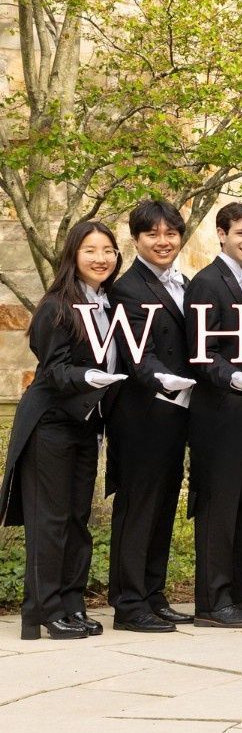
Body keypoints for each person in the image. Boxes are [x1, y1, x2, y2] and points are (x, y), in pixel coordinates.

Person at [1, 222, 126, 640]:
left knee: (77, 518)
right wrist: (91, 376)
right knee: (49, 521)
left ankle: (71, 605)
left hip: (85, 424)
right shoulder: (57, 305)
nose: (100, 258)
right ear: (73, 255)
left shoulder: (108, 304)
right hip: (49, 423)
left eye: (107, 250)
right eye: (90, 250)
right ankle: (44, 611)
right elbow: (53, 370)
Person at [185, 202, 242, 628]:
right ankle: (212, 602)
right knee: (219, 506)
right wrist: (236, 379)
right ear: (221, 234)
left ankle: (240, 593)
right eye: (241, 233)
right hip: (220, 411)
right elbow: (202, 355)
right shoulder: (207, 283)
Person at [106, 200, 196, 633]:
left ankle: (153, 593)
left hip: (178, 414)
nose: (163, 242)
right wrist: (171, 382)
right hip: (143, 414)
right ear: (136, 239)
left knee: (163, 506)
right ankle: (128, 602)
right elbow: (138, 358)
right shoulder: (126, 289)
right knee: (137, 507)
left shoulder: (187, 282)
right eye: (152, 235)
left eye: (171, 234)